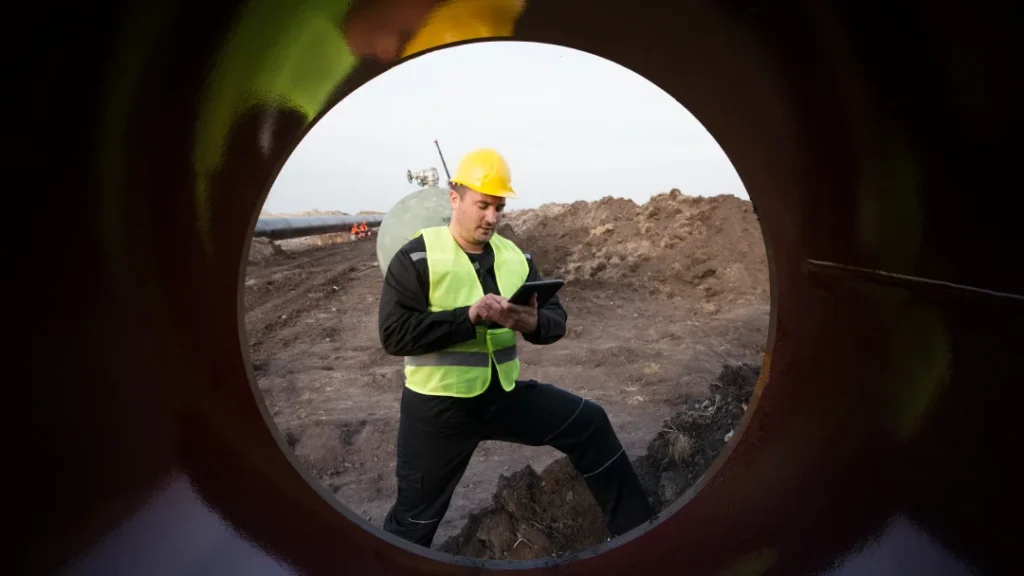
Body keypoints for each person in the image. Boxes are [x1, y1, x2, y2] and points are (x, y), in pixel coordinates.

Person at [378, 148, 654, 548]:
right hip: (438, 410)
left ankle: (640, 537)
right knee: (414, 522)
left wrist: (534, 323)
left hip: (502, 397)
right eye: (483, 205)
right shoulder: (417, 257)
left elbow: (555, 320)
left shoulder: (516, 257)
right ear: (454, 199)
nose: (492, 217)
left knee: (590, 423)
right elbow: (394, 335)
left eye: (499, 208)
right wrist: (466, 317)